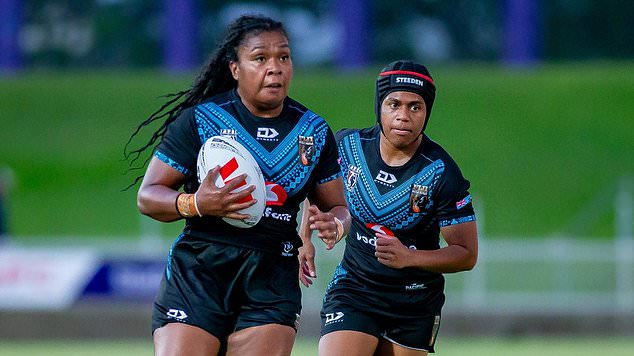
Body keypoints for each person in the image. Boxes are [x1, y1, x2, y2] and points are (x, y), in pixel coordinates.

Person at [124, 15, 350, 356]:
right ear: (235, 68)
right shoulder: (203, 120)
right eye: (260, 58)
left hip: (272, 273)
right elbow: (148, 196)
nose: (275, 68)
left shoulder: (313, 131)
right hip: (200, 268)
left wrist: (336, 224)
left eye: (284, 57)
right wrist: (196, 203)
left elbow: (339, 207)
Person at [299, 60, 478, 355]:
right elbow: (316, 187)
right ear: (379, 106)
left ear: (427, 112)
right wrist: (304, 238)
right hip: (354, 287)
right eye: (393, 104)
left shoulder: (441, 173)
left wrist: (409, 257)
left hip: (414, 300)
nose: (403, 116)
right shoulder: (347, 146)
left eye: (415, 107)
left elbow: (467, 255)